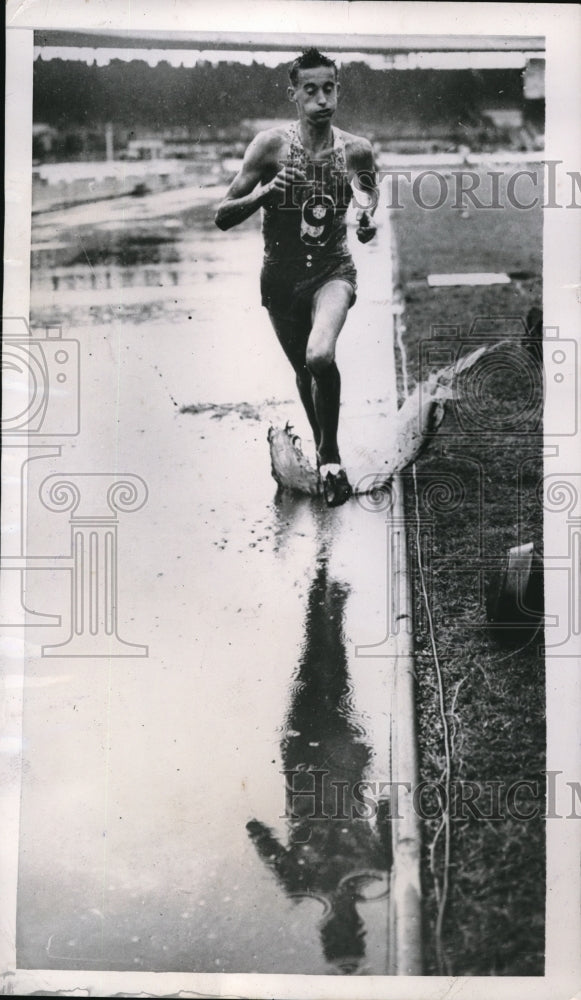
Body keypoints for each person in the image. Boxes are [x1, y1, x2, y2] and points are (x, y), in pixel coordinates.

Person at [215, 48, 378, 506]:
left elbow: (368, 198)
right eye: (311, 90)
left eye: (329, 89)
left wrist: (366, 221)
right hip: (280, 280)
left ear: (338, 91)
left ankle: (328, 455)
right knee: (305, 369)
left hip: (333, 271)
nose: (322, 99)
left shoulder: (357, 149)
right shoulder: (270, 146)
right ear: (294, 94)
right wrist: (265, 193)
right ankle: (331, 461)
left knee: (320, 355)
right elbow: (222, 215)